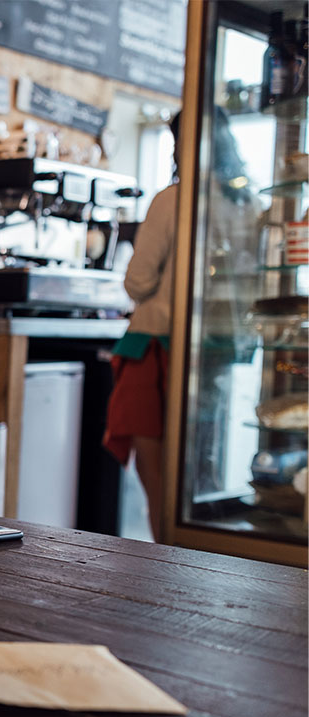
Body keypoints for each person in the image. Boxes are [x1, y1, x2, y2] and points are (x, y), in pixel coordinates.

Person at [103, 109, 260, 539]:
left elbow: (137, 282)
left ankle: (163, 570)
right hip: (216, 352)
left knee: (160, 483)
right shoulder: (248, 203)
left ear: (181, 143)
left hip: (156, 349)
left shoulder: (173, 200)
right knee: (199, 476)